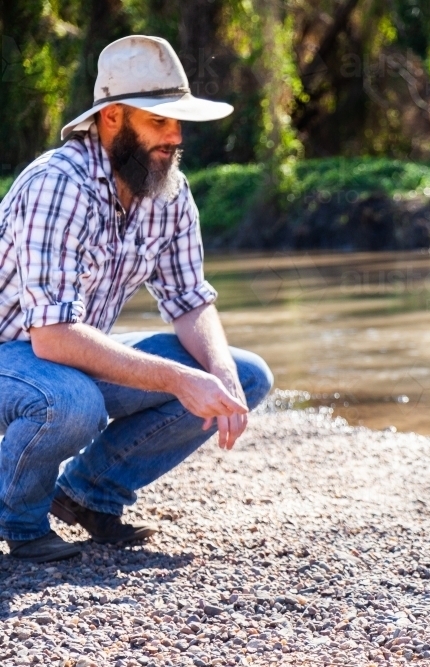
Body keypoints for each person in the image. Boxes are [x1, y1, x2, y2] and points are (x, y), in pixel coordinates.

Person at [0, 35, 273, 564]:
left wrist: (217, 372)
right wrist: (177, 378)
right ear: (111, 120)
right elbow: (53, 338)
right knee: (71, 402)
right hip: (14, 354)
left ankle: (88, 496)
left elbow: (190, 300)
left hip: (67, 354)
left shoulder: (167, 190)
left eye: (177, 123)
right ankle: (18, 519)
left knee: (246, 373)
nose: (174, 137)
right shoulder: (58, 185)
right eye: (158, 122)